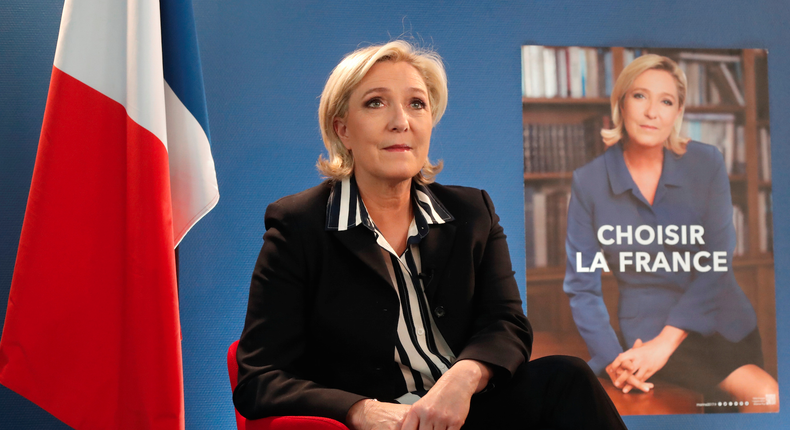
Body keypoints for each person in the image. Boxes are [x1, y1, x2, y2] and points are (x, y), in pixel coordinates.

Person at [233, 40, 627, 430]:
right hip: (384, 424)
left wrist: (464, 377)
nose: (400, 121)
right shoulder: (298, 225)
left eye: (416, 104)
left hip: (466, 411)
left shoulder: (473, 213)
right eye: (375, 102)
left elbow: (506, 324)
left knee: (567, 377)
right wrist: (361, 410)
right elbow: (259, 377)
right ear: (343, 129)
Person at [563, 53, 779, 412]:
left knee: (766, 397)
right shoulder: (588, 182)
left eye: (666, 101)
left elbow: (716, 263)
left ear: (678, 113)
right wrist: (613, 360)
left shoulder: (707, 162)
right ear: (620, 103)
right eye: (640, 96)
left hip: (720, 323)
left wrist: (664, 343)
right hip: (645, 331)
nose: (653, 112)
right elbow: (582, 287)